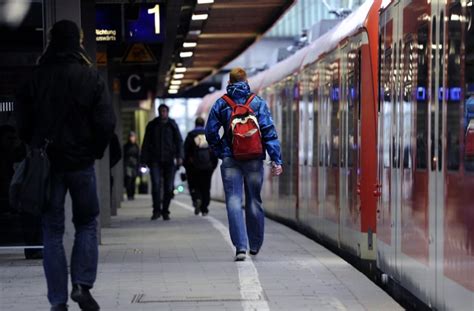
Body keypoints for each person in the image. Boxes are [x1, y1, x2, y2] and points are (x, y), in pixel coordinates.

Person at [15, 20, 116, 311]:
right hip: (81, 162)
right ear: (78, 41)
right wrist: (93, 151)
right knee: (86, 223)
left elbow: (22, 122)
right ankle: (82, 285)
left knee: (52, 231)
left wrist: (34, 146)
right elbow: (106, 122)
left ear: (51, 41)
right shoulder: (90, 77)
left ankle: (58, 301)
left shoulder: (35, 77)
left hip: (48, 164)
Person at [205, 67, 283, 261]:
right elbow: (268, 131)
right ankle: (255, 245)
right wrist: (276, 159)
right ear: (246, 81)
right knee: (254, 201)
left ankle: (241, 248)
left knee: (233, 201)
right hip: (255, 159)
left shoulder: (221, 104)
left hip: (231, 160)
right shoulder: (257, 103)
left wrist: (221, 151)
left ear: (229, 83)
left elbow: (210, 133)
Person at [141, 104, 183, 221]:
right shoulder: (152, 125)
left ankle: (165, 211)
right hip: (155, 160)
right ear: (159, 112)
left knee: (169, 188)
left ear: (167, 112)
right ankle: (156, 211)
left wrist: (180, 157)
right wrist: (143, 160)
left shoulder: (172, 125)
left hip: (169, 161)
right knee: (155, 186)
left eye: (165, 111)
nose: (163, 113)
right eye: (161, 111)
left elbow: (179, 141)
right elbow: (145, 143)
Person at [183, 117, 218, 216]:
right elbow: (214, 152)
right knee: (206, 188)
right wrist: (212, 166)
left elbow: (185, 152)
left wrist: (187, 166)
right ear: (203, 124)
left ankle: (197, 199)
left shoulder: (191, 135)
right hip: (207, 167)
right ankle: (205, 208)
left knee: (194, 186)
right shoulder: (208, 135)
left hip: (194, 168)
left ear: (195, 124)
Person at [123, 131, 140, 200]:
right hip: (128, 165)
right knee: (129, 180)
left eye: (133, 137)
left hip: (134, 165)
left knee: (133, 180)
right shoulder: (126, 147)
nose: (132, 138)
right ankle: (129, 194)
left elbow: (138, 156)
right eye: (131, 137)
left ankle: (132, 194)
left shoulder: (136, 147)